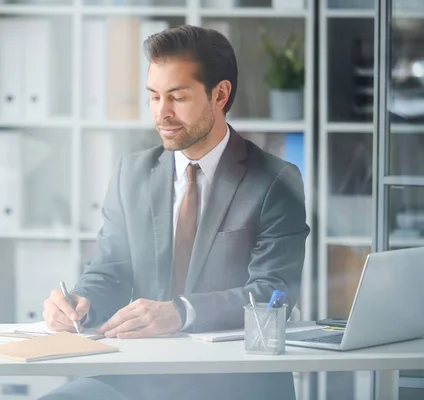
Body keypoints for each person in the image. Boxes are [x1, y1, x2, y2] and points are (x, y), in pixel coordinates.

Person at [40, 24, 310, 400]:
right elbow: (109, 270)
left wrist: (182, 312)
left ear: (220, 94)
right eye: (153, 97)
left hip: (233, 379)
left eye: (177, 97)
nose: (161, 113)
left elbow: (273, 293)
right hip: (139, 374)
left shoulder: (275, 180)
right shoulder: (130, 174)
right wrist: (80, 304)